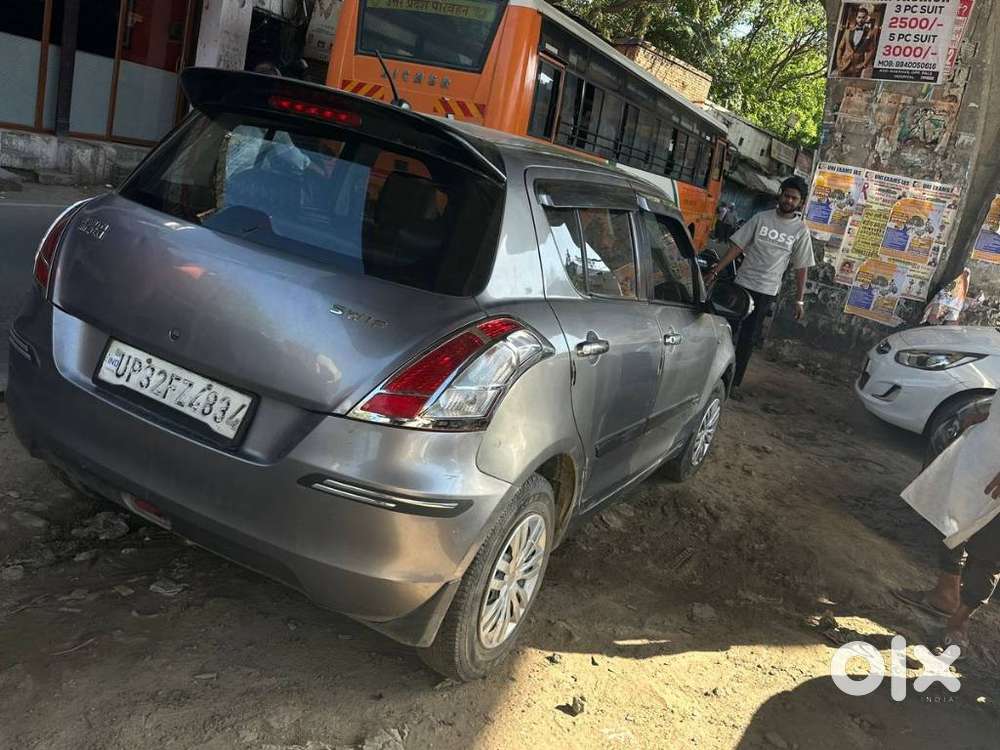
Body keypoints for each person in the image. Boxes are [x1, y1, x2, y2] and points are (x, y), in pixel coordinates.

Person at [894, 391, 1000, 657]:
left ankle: (959, 622)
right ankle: (945, 592)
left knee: (989, 552)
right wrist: (987, 415)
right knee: (950, 517)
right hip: (984, 453)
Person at [703, 176, 815, 396]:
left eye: (794, 198)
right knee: (727, 331)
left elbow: (802, 267)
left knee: (749, 338)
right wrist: (716, 270)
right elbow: (737, 247)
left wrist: (799, 299)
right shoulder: (760, 218)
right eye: (786, 195)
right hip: (742, 284)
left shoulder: (801, 231)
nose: (789, 200)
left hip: (766, 291)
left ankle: (734, 383)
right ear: (780, 194)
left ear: (800, 203)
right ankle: (713, 375)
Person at [835, 5, 879, 78]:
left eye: (863, 17)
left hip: (857, 66)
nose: (861, 20)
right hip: (844, 64)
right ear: (856, 18)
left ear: (866, 18)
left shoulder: (870, 33)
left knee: (853, 87)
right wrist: (838, 62)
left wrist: (864, 64)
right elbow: (840, 47)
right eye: (859, 17)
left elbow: (872, 50)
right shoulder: (847, 31)